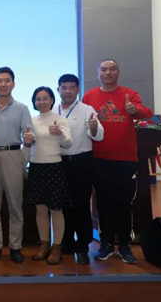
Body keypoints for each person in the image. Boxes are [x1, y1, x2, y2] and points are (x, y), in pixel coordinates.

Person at [82, 59, 152, 264]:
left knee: (124, 203)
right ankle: (106, 243)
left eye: (112, 69)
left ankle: (123, 244)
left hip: (125, 159)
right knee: (103, 203)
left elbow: (147, 113)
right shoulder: (89, 96)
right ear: (98, 73)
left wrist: (134, 111)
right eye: (104, 69)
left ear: (118, 72)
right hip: (99, 159)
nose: (108, 73)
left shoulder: (130, 94)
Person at [0, 67, 34, 264]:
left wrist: (24, 159)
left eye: (7, 80)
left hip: (13, 155)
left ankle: (15, 246)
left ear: (13, 83)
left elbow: (29, 134)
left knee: (15, 206)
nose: (3, 84)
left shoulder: (22, 108)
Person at [54, 74, 104, 265]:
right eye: (64, 87)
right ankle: (66, 243)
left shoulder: (86, 110)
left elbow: (98, 135)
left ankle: (83, 247)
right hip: (59, 163)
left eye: (71, 87)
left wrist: (94, 127)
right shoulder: (52, 109)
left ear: (77, 89)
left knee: (81, 205)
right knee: (63, 206)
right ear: (58, 89)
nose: (67, 91)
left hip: (81, 162)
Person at [27, 86, 73, 265]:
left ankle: (57, 247)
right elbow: (27, 145)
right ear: (34, 102)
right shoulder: (31, 120)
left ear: (52, 100)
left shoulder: (59, 120)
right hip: (36, 167)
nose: (42, 102)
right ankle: (44, 245)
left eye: (45, 98)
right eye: (38, 99)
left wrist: (60, 133)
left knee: (56, 209)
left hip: (54, 167)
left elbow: (68, 143)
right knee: (40, 209)